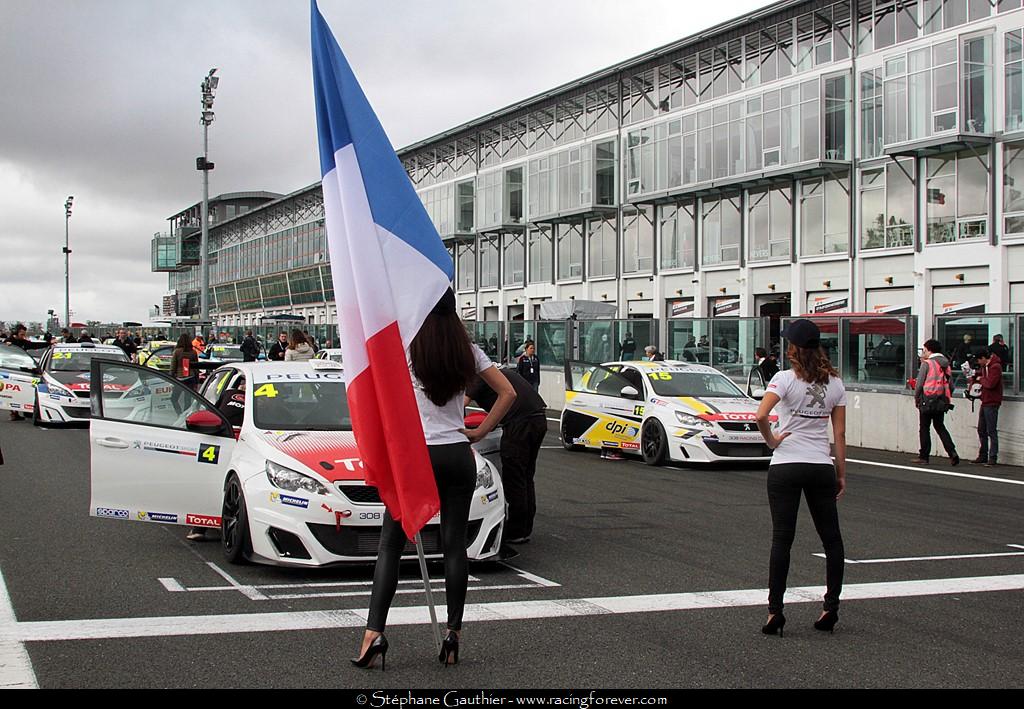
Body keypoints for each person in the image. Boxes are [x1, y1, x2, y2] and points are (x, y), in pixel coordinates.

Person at [353, 289, 515, 671]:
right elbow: (507, 393)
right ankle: (453, 636)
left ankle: (373, 634)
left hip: (415, 454)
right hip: (457, 452)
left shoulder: (406, 346)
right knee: (454, 545)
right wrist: (478, 432)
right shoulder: (467, 350)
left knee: (391, 545)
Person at [755, 318, 846, 637]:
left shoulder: (783, 379)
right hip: (820, 463)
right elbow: (840, 433)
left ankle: (775, 612)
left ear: (793, 349)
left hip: (786, 463)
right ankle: (830, 608)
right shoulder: (835, 383)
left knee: (783, 538)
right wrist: (840, 473)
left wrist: (772, 440)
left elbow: (761, 415)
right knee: (832, 539)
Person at [466, 368, 546, 551]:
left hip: (519, 423)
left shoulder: (476, 375)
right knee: (526, 475)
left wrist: (479, 431)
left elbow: (458, 405)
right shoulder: (497, 371)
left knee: (514, 476)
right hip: (539, 418)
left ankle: (516, 531)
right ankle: (524, 529)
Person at [912, 340, 959, 466]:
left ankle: (924, 456)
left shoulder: (927, 364)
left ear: (929, 350)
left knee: (924, 428)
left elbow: (919, 385)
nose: (924, 352)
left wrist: (916, 398)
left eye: (925, 350)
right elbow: (951, 386)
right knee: (940, 426)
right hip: (941, 401)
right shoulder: (945, 364)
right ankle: (952, 452)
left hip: (927, 400)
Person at [5, 324, 49, 421]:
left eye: (24, 334)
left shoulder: (23, 341)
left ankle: (16, 411)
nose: (23, 336)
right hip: (11, 369)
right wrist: (7, 344)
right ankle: (13, 412)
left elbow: (34, 345)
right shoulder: (9, 341)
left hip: (21, 368)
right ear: (16, 333)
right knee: (11, 391)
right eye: (21, 334)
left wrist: (48, 343)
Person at [971, 348, 1003, 466]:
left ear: (984, 358)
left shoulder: (995, 367)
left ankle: (992, 456)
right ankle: (983, 455)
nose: (978, 363)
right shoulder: (986, 367)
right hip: (985, 401)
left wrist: (980, 379)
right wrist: (974, 376)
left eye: (979, 360)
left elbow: (990, 384)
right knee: (981, 429)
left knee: (991, 430)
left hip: (992, 401)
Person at [170, 333, 198, 413]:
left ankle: (179, 413)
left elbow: (173, 367)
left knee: (174, 399)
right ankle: (185, 416)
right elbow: (196, 368)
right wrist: (196, 381)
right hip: (191, 378)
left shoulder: (176, 352)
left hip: (179, 379)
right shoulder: (193, 352)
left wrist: (171, 378)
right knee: (187, 400)